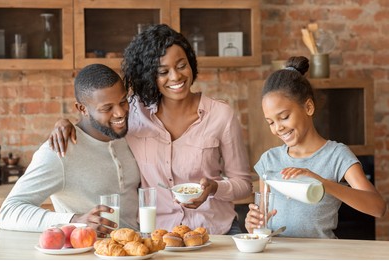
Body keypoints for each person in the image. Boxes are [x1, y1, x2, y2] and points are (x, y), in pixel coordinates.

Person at [49, 24, 253, 235]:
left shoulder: (220, 115)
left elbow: (244, 184)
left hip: (215, 233)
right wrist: (65, 123)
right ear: (148, 76)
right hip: (157, 237)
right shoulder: (135, 112)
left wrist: (215, 188)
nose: (175, 77)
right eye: (163, 72)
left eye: (182, 65)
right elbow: (101, 117)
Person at [244, 56, 386, 238]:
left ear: (309, 107)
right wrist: (253, 224)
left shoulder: (336, 155)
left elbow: (378, 207)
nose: (278, 128)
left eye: (284, 117)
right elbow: (262, 224)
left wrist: (323, 184)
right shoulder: (269, 160)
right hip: (278, 258)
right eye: (270, 122)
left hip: (321, 258)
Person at [0, 64, 141, 237]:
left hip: (137, 252)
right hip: (89, 257)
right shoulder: (60, 151)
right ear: (82, 109)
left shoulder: (129, 135)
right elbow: (9, 212)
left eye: (123, 101)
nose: (120, 113)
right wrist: (75, 221)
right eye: (107, 108)